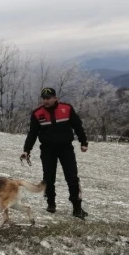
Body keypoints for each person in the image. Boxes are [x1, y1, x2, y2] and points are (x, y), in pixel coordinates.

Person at [21, 87, 88, 219]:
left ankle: (77, 207)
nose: (46, 101)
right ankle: (51, 204)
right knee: (48, 178)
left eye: (48, 98)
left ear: (55, 98)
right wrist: (26, 150)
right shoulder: (37, 113)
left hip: (66, 149)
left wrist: (83, 142)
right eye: (44, 98)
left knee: (72, 178)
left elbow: (78, 126)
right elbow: (32, 133)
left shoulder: (67, 109)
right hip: (47, 150)